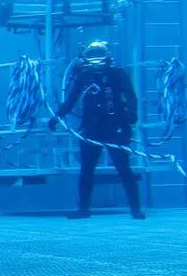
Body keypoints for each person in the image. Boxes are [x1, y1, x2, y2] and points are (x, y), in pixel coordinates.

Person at [48, 40, 145, 219]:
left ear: (107, 55)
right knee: (87, 168)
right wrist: (57, 116)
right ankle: (83, 209)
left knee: (123, 167)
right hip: (91, 128)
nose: (95, 60)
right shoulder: (83, 76)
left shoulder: (117, 74)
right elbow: (70, 100)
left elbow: (130, 95)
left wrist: (132, 114)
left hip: (116, 126)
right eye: (92, 56)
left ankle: (135, 209)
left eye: (99, 55)